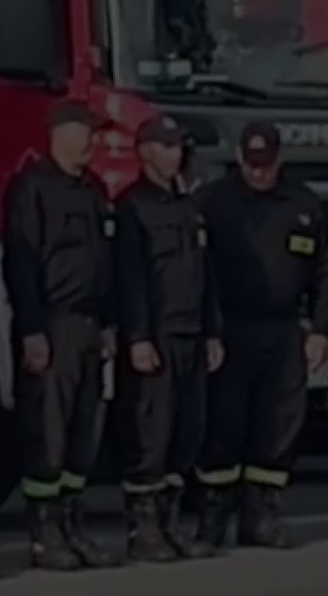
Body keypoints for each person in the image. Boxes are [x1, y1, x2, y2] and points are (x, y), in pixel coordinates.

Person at [195, 120, 328, 549]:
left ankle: (262, 516)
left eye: (266, 163)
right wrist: (208, 330)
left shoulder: (303, 204)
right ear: (240, 158)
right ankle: (213, 517)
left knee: (278, 427)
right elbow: (193, 272)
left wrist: (321, 329)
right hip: (229, 329)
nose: (259, 172)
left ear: (280, 159)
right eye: (252, 163)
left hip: (283, 332)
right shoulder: (212, 202)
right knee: (224, 424)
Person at [1, 100, 118, 571]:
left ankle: (72, 527)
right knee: (47, 434)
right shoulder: (32, 187)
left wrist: (109, 323)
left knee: (83, 435)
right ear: (60, 132)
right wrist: (32, 330)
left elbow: (105, 264)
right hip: (51, 324)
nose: (92, 140)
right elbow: (21, 265)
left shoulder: (92, 189)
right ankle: (44, 534)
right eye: (84, 130)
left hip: (90, 328)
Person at [112, 116, 222, 562]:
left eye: (179, 146)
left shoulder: (188, 207)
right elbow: (130, 279)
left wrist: (214, 331)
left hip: (191, 336)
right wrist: (138, 337)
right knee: (150, 435)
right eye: (167, 145)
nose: (176, 153)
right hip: (155, 340)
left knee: (186, 433)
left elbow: (207, 276)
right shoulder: (132, 207)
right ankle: (144, 530)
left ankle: (169, 523)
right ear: (146, 151)